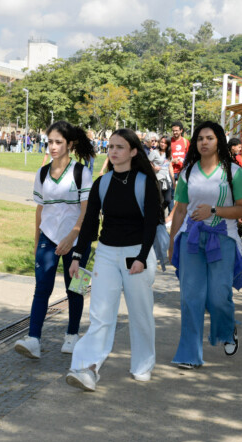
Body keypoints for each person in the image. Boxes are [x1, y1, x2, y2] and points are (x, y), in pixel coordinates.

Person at [64, 129, 161, 391]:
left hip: (135, 255)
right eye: (110, 147)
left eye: (120, 147)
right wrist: (77, 257)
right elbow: (89, 225)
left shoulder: (145, 183)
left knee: (140, 313)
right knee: (100, 315)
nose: (114, 152)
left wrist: (141, 258)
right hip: (106, 253)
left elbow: (151, 224)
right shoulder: (102, 183)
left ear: (133, 152)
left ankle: (143, 365)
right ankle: (87, 367)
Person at [168, 122, 242, 369]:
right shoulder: (187, 172)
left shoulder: (233, 172)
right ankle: (189, 354)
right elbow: (181, 209)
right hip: (191, 240)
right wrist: (173, 242)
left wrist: (213, 210)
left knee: (218, 297)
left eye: (210, 138)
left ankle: (227, 329)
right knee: (191, 298)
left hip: (223, 238)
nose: (204, 142)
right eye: (200, 138)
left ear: (219, 142)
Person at [14, 121, 95, 359]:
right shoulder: (42, 173)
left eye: (58, 142)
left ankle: (72, 335)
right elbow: (39, 211)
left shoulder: (82, 172)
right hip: (47, 239)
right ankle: (33, 339)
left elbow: (87, 210)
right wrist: (37, 242)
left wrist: (73, 236)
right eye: (50, 142)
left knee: (75, 289)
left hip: (77, 240)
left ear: (70, 144)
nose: (53, 146)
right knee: (42, 289)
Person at [149, 135, 174, 214]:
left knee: (168, 200)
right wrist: (153, 167)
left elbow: (170, 166)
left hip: (167, 179)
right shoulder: (154, 152)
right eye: (162, 142)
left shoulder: (169, 153)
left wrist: (173, 180)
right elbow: (147, 162)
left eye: (165, 143)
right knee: (160, 199)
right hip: (157, 178)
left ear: (168, 144)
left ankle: (158, 213)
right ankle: (158, 216)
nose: (163, 144)